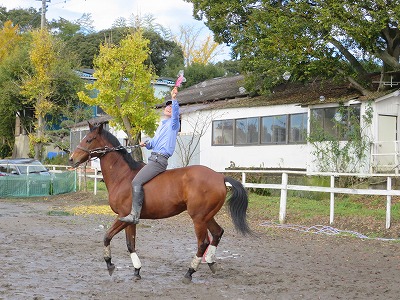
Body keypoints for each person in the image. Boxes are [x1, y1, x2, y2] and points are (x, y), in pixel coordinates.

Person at [119, 87, 180, 224]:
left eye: (171, 106)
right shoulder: (162, 125)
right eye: (167, 106)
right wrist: (146, 144)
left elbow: (176, 114)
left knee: (136, 181)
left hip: (159, 160)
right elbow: (154, 143)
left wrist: (174, 98)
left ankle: (134, 215)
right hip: (153, 157)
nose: (169, 108)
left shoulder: (173, 124)